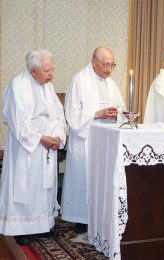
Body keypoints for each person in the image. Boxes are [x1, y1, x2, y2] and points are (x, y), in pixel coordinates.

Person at [0, 49, 67, 245]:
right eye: (47, 70)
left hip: (47, 147)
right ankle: (21, 228)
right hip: (27, 147)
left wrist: (58, 137)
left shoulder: (48, 86)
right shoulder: (18, 86)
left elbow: (57, 114)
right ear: (33, 71)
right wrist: (41, 138)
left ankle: (43, 226)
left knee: (44, 187)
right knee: (26, 186)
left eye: (51, 70)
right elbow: (18, 120)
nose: (51, 74)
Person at [61, 47, 126, 233]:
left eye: (112, 65)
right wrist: (97, 114)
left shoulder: (111, 84)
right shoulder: (79, 81)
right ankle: (81, 218)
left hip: (105, 141)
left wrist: (116, 114)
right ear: (94, 62)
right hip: (85, 140)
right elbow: (72, 115)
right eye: (106, 64)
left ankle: (101, 215)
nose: (109, 69)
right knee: (83, 177)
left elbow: (121, 108)